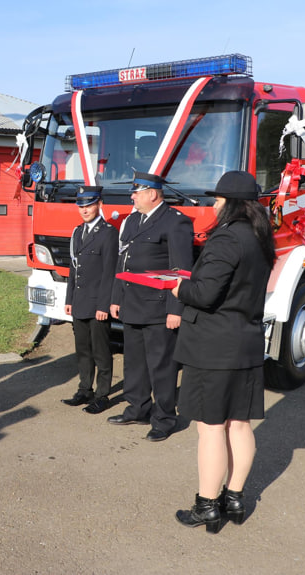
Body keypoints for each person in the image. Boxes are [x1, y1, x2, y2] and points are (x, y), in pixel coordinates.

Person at [171, 171, 275, 533]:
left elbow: (204, 295)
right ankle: (234, 498)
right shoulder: (261, 238)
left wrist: (180, 287)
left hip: (213, 347)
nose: (212, 205)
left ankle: (206, 505)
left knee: (211, 428)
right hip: (245, 341)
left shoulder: (226, 239)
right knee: (239, 424)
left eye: (216, 199)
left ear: (231, 203)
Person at [109, 171, 194, 441]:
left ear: (153, 193)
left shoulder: (174, 222)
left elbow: (181, 270)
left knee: (162, 366)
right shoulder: (132, 220)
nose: (132, 196)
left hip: (158, 308)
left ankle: (165, 419)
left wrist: (175, 309)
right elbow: (122, 262)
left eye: (137, 191)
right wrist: (115, 297)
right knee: (134, 363)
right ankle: (137, 408)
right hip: (133, 303)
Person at [60, 185, 118, 414]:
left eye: (89, 205)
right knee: (83, 350)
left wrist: (104, 305)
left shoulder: (108, 233)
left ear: (99, 205)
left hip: (98, 305)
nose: (84, 210)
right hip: (80, 302)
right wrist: (69, 298)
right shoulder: (77, 232)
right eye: (81, 206)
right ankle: (85, 390)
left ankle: (102, 395)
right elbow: (74, 269)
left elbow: (109, 272)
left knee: (101, 352)